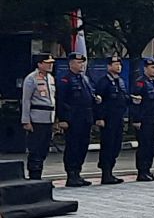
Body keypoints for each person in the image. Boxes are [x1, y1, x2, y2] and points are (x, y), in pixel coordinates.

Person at [57, 51, 99, 187]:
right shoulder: (65, 80)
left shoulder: (85, 79)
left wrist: (95, 99)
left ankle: (78, 173)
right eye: (78, 62)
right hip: (73, 119)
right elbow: (61, 100)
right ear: (71, 64)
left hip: (86, 118)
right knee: (73, 147)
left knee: (82, 146)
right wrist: (62, 119)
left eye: (82, 62)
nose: (81, 65)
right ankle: (71, 174)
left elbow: (89, 96)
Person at [20, 53, 57, 181]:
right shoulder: (31, 78)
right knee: (35, 148)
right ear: (39, 64)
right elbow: (26, 100)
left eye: (51, 63)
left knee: (44, 148)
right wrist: (26, 120)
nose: (50, 65)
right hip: (36, 118)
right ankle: (34, 175)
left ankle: (39, 173)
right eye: (47, 63)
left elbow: (52, 100)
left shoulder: (51, 78)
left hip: (48, 118)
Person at [94, 55, 129, 185]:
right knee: (108, 146)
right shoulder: (104, 82)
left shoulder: (120, 81)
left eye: (119, 64)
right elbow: (99, 101)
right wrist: (99, 118)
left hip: (118, 118)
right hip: (108, 119)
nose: (118, 66)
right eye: (115, 64)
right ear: (109, 67)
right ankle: (106, 173)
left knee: (116, 146)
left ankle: (111, 171)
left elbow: (123, 98)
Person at [130, 58, 154, 182]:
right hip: (145, 119)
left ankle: (148, 169)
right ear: (145, 69)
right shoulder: (140, 83)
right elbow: (136, 102)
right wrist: (137, 119)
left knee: (152, 146)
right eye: (152, 68)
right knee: (144, 146)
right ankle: (142, 171)